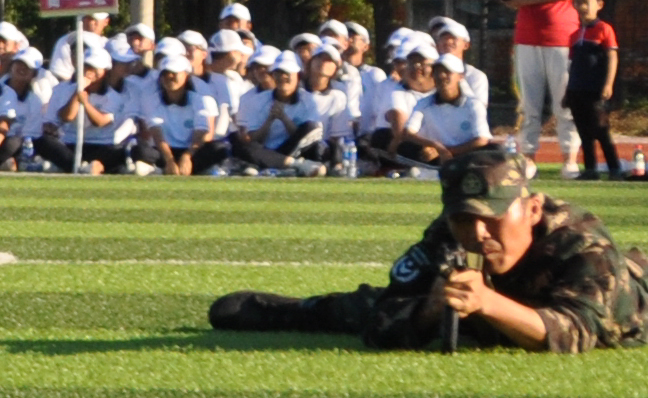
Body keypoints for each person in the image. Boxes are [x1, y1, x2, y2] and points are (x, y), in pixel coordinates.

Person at [211, 142, 648, 350]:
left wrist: (487, 304)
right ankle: (292, 312)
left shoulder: (583, 244)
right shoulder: (450, 232)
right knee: (370, 307)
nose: (477, 234)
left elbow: (576, 334)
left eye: (491, 219)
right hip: (501, 311)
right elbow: (386, 314)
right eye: (464, 219)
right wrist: (431, 308)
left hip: (630, 299)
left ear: (532, 209)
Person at [511, 0, 591, 172]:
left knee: (564, 104)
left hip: (563, 39)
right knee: (529, 104)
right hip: (527, 38)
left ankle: (569, 158)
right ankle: (529, 158)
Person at [571, 0, 626, 179]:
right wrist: (568, 90)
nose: (582, 6)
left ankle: (614, 169)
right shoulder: (575, 34)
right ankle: (591, 169)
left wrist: (608, 84)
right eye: (578, 2)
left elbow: (612, 56)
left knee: (601, 130)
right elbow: (573, 64)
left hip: (595, 89)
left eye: (586, 2)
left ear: (599, 4)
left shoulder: (604, 29)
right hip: (577, 90)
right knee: (584, 132)